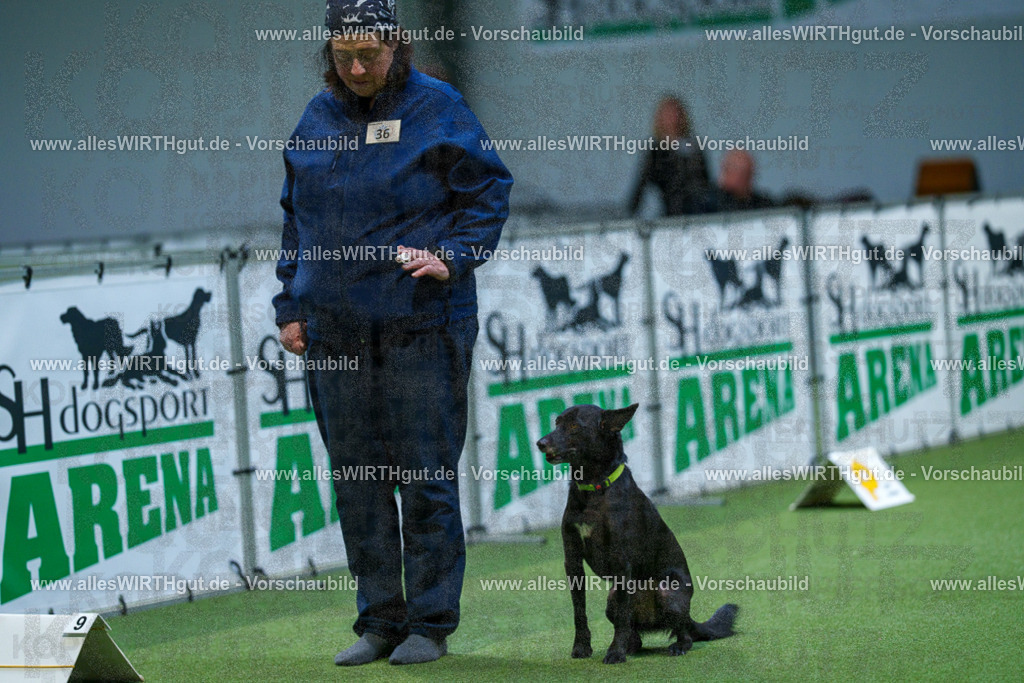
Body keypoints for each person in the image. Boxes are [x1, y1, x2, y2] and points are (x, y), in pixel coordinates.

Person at [271, 0, 513, 666]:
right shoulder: (315, 119)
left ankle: (430, 623)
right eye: (343, 56)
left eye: (368, 56)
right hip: (334, 334)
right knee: (357, 478)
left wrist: (454, 255)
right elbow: (297, 219)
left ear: (395, 45)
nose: (355, 68)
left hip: (421, 326)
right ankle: (380, 618)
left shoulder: (438, 107)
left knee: (425, 475)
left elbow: (489, 191)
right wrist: (290, 305)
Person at [628, 96, 713, 217]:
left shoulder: (694, 147)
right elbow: (642, 183)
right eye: (668, 114)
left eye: (675, 114)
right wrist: (629, 214)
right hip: (672, 212)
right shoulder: (656, 150)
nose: (672, 118)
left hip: (699, 209)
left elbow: (706, 180)